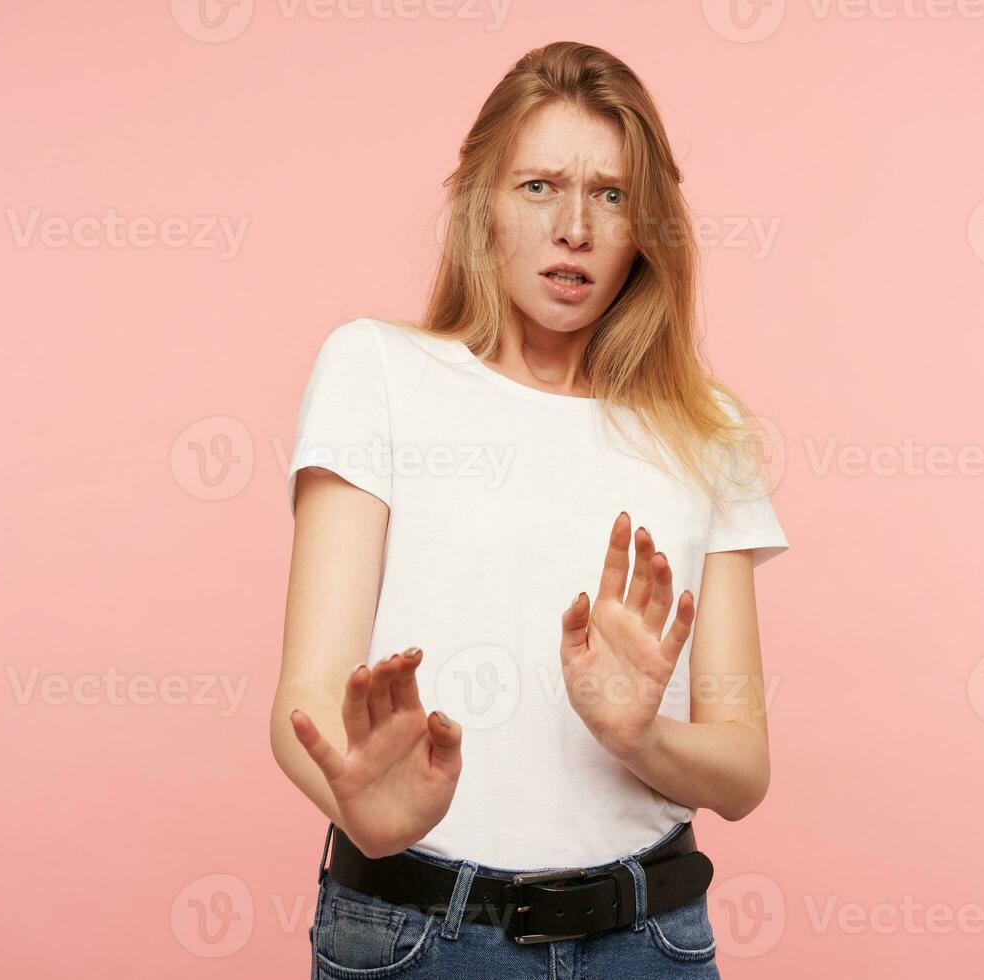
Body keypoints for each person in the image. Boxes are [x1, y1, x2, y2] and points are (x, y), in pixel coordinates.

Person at [271, 40, 789, 979]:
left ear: (647, 227)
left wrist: (641, 735)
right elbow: (305, 699)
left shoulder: (710, 432)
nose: (576, 230)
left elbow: (743, 766)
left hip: (647, 941)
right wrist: (364, 812)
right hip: (413, 934)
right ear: (482, 203)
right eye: (540, 187)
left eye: (613, 195)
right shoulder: (376, 370)